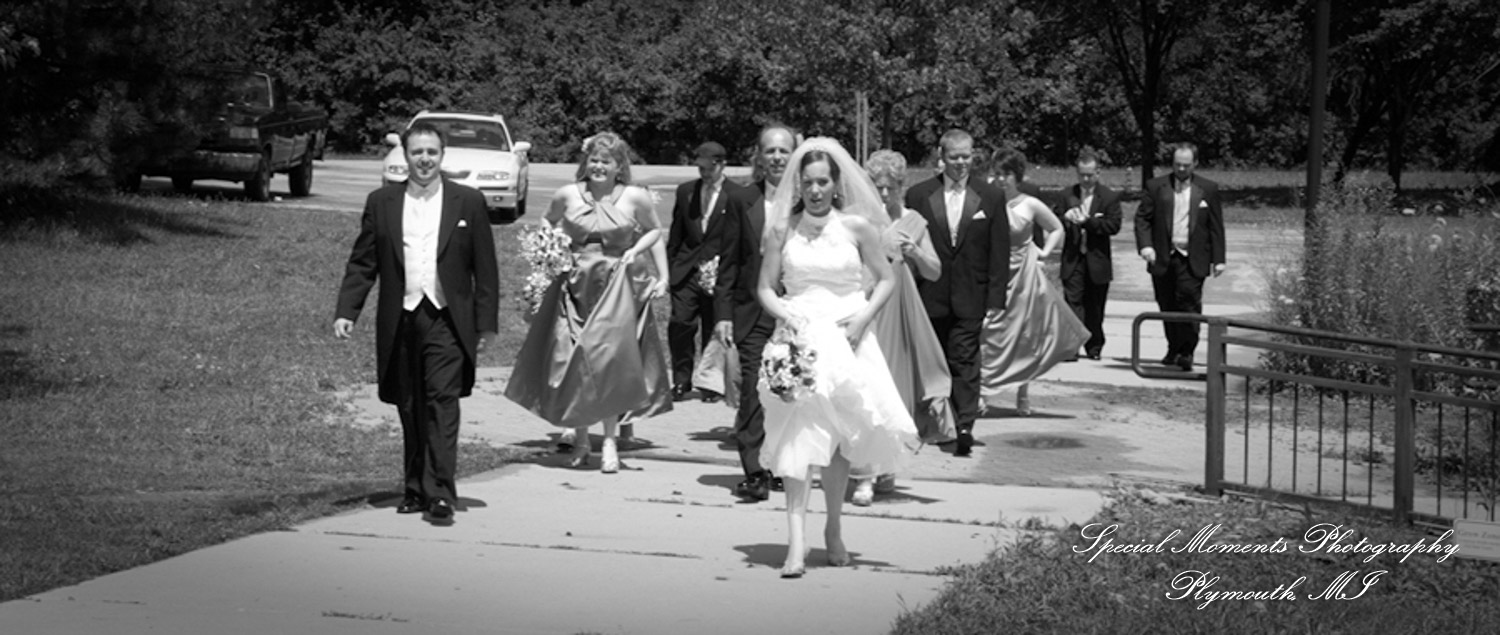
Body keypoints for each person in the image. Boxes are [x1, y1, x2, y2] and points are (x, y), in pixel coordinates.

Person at [755, 138, 917, 578]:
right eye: (807, 182)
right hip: (799, 337)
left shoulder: (858, 227)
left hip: (847, 339)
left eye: (823, 182)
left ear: (835, 183)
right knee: (796, 440)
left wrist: (863, 319)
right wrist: (785, 314)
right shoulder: (781, 230)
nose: (815, 190)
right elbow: (766, 286)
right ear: (798, 185)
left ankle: (833, 528)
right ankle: (796, 543)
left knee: (841, 439)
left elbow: (884, 279)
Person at [333, 123, 499, 523]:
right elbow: (364, 262)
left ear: (443, 156)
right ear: (404, 156)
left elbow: (485, 267)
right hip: (402, 317)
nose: (424, 159)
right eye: (417, 152)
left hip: (448, 319)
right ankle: (414, 487)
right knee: (410, 405)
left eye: (432, 152)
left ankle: (441, 493)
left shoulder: (468, 201)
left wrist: (485, 321)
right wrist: (346, 310)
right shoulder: (382, 202)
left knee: (441, 402)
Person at [503, 132, 672, 473]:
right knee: (573, 359)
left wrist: (635, 253)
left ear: (618, 165)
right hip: (574, 285)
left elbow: (654, 230)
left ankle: (609, 441)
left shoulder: (635, 197)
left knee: (608, 363)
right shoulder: (567, 194)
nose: (598, 166)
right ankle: (581, 440)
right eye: (593, 159)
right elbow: (547, 221)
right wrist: (550, 251)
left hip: (615, 288)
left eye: (606, 161)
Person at [851, 149, 953, 506]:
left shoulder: (914, 221)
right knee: (866, 390)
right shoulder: (857, 221)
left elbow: (935, 271)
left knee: (895, 390)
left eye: (890, 187)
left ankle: (887, 465)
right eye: (876, 187)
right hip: (867, 309)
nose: (882, 195)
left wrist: (916, 253)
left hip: (901, 312)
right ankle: (864, 475)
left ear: (900, 186)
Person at [904, 129, 1008, 458]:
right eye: (954, 157)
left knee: (964, 360)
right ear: (942, 156)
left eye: (966, 157)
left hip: (971, 294)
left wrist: (995, 299)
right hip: (930, 294)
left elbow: (999, 250)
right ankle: (936, 421)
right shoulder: (920, 195)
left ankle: (964, 425)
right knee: (935, 363)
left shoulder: (989, 196)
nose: (961, 163)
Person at [715, 123, 797, 501]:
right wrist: (723, 314)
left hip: (797, 313)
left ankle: (782, 466)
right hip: (751, 312)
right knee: (752, 392)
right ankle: (755, 472)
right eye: (771, 151)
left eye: (784, 150)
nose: (777, 157)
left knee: (790, 394)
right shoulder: (741, 200)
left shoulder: (810, 198)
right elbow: (729, 261)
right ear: (759, 157)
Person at [979, 148, 1090, 414]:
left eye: (1007, 175)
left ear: (1017, 177)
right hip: (994, 273)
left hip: (1024, 276)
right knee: (989, 332)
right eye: (997, 175)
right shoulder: (986, 200)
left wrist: (1043, 252)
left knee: (1025, 335)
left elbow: (1056, 228)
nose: (1001, 180)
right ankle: (983, 390)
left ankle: (1022, 391)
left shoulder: (1029, 203)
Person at [1134, 142, 1226, 371]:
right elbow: (1142, 219)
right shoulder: (1156, 187)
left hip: (1193, 257)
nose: (1181, 169)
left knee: (1189, 304)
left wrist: (1219, 258)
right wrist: (1146, 246)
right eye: (1177, 164)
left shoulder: (1208, 189)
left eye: (1186, 165)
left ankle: (1187, 350)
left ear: (1195, 163)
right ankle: (1173, 347)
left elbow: (1216, 226)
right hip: (1163, 256)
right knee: (1167, 304)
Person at [666, 141, 741, 403]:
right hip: (686, 270)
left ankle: (711, 383)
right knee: (681, 324)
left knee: (714, 327)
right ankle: (681, 380)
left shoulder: (736, 194)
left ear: (721, 164)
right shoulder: (686, 192)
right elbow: (676, 234)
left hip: (719, 272)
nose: (704, 173)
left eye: (709, 168)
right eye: (700, 168)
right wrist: (670, 268)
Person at [1059, 147, 1122, 361]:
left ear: (1098, 173)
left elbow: (1113, 226)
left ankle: (1094, 347)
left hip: (1097, 260)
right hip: (1073, 258)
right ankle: (1072, 347)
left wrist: (1089, 222)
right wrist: (1065, 217)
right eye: (1081, 174)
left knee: (1094, 307)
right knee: (1072, 303)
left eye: (1089, 174)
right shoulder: (1067, 194)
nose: (1085, 179)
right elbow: (1053, 218)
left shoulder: (1109, 197)